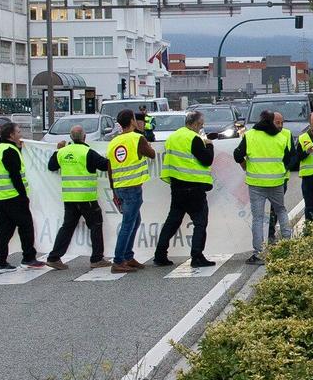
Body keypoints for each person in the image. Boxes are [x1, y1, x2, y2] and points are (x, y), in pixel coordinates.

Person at [234, 107, 297, 263]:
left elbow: (237, 155)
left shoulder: (250, 136)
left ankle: (259, 253)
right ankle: (288, 245)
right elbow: (290, 158)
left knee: (258, 217)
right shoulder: (281, 138)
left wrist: (244, 165)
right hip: (276, 181)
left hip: (256, 183)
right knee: (281, 211)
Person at [156, 110, 217, 268]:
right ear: (195, 124)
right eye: (201, 125)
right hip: (194, 187)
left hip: (177, 186)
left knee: (172, 222)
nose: (201, 128)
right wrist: (209, 145)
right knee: (200, 222)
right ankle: (197, 256)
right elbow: (206, 160)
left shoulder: (173, 137)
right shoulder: (194, 138)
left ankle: (160, 254)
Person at [47, 124, 111, 270]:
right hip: (86, 197)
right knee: (95, 225)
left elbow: (51, 166)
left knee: (67, 227)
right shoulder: (87, 152)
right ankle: (97, 258)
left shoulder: (63, 152)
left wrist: (58, 149)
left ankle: (54, 257)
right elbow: (105, 165)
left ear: (71, 137)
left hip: (69, 198)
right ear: (84, 137)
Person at [0, 119, 44, 271]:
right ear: (11, 135)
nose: (21, 134)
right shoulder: (10, 151)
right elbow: (15, 176)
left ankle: (1, 262)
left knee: (4, 231)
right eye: (18, 132)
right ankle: (28, 258)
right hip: (13, 196)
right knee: (26, 226)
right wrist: (23, 196)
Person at [105, 108, 156, 270]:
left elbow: (110, 168)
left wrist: (113, 191)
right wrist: (143, 135)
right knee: (128, 223)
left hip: (120, 187)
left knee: (135, 221)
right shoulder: (137, 138)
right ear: (132, 121)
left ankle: (128, 256)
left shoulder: (113, 142)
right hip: (132, 187)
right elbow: (152, 154)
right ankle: (119, 260)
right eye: (135, 118)